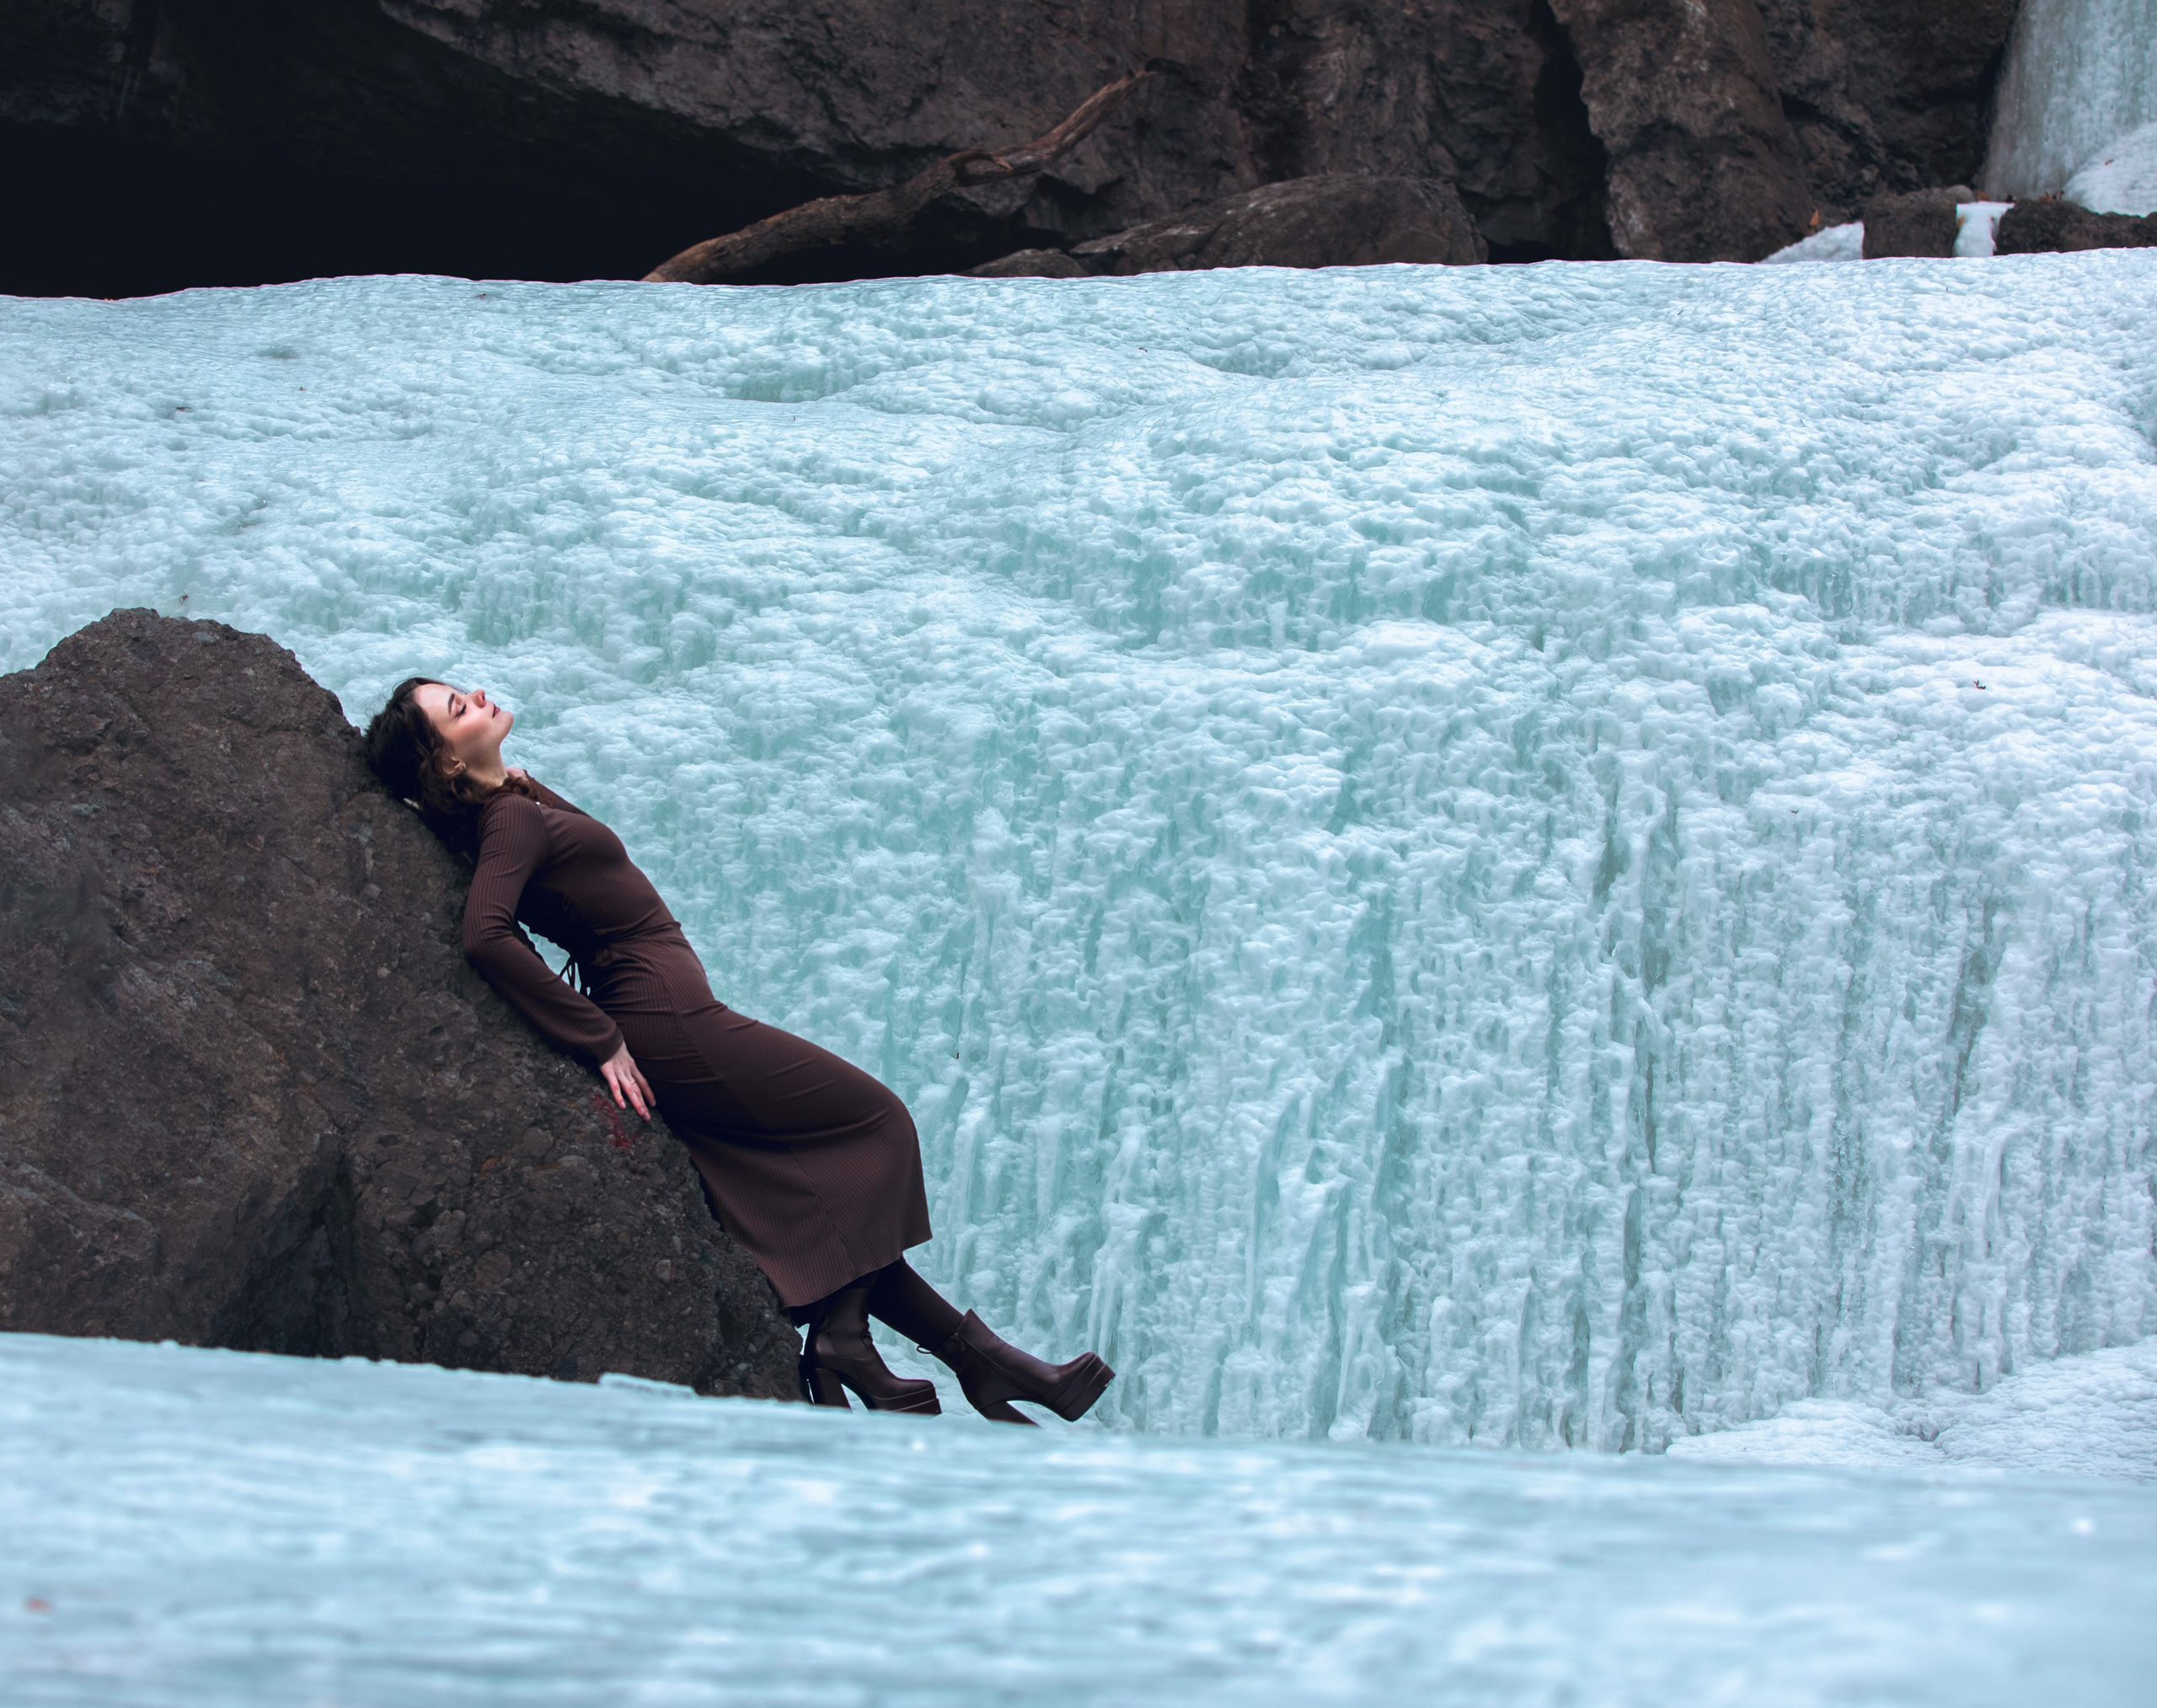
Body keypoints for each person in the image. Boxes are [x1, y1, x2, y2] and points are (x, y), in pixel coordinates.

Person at [361, 676, 1113, 1425]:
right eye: (457, 707)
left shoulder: (513, 800)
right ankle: (848, 1341)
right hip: (667, 1018)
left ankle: (981, 1361)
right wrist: (599, 1037)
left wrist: (515, 781)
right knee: (880, 1122)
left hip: (671, 1010)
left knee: (826, 1212)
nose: (477, 695)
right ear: (447, 761)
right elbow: (485, 934)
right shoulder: (508, 820)